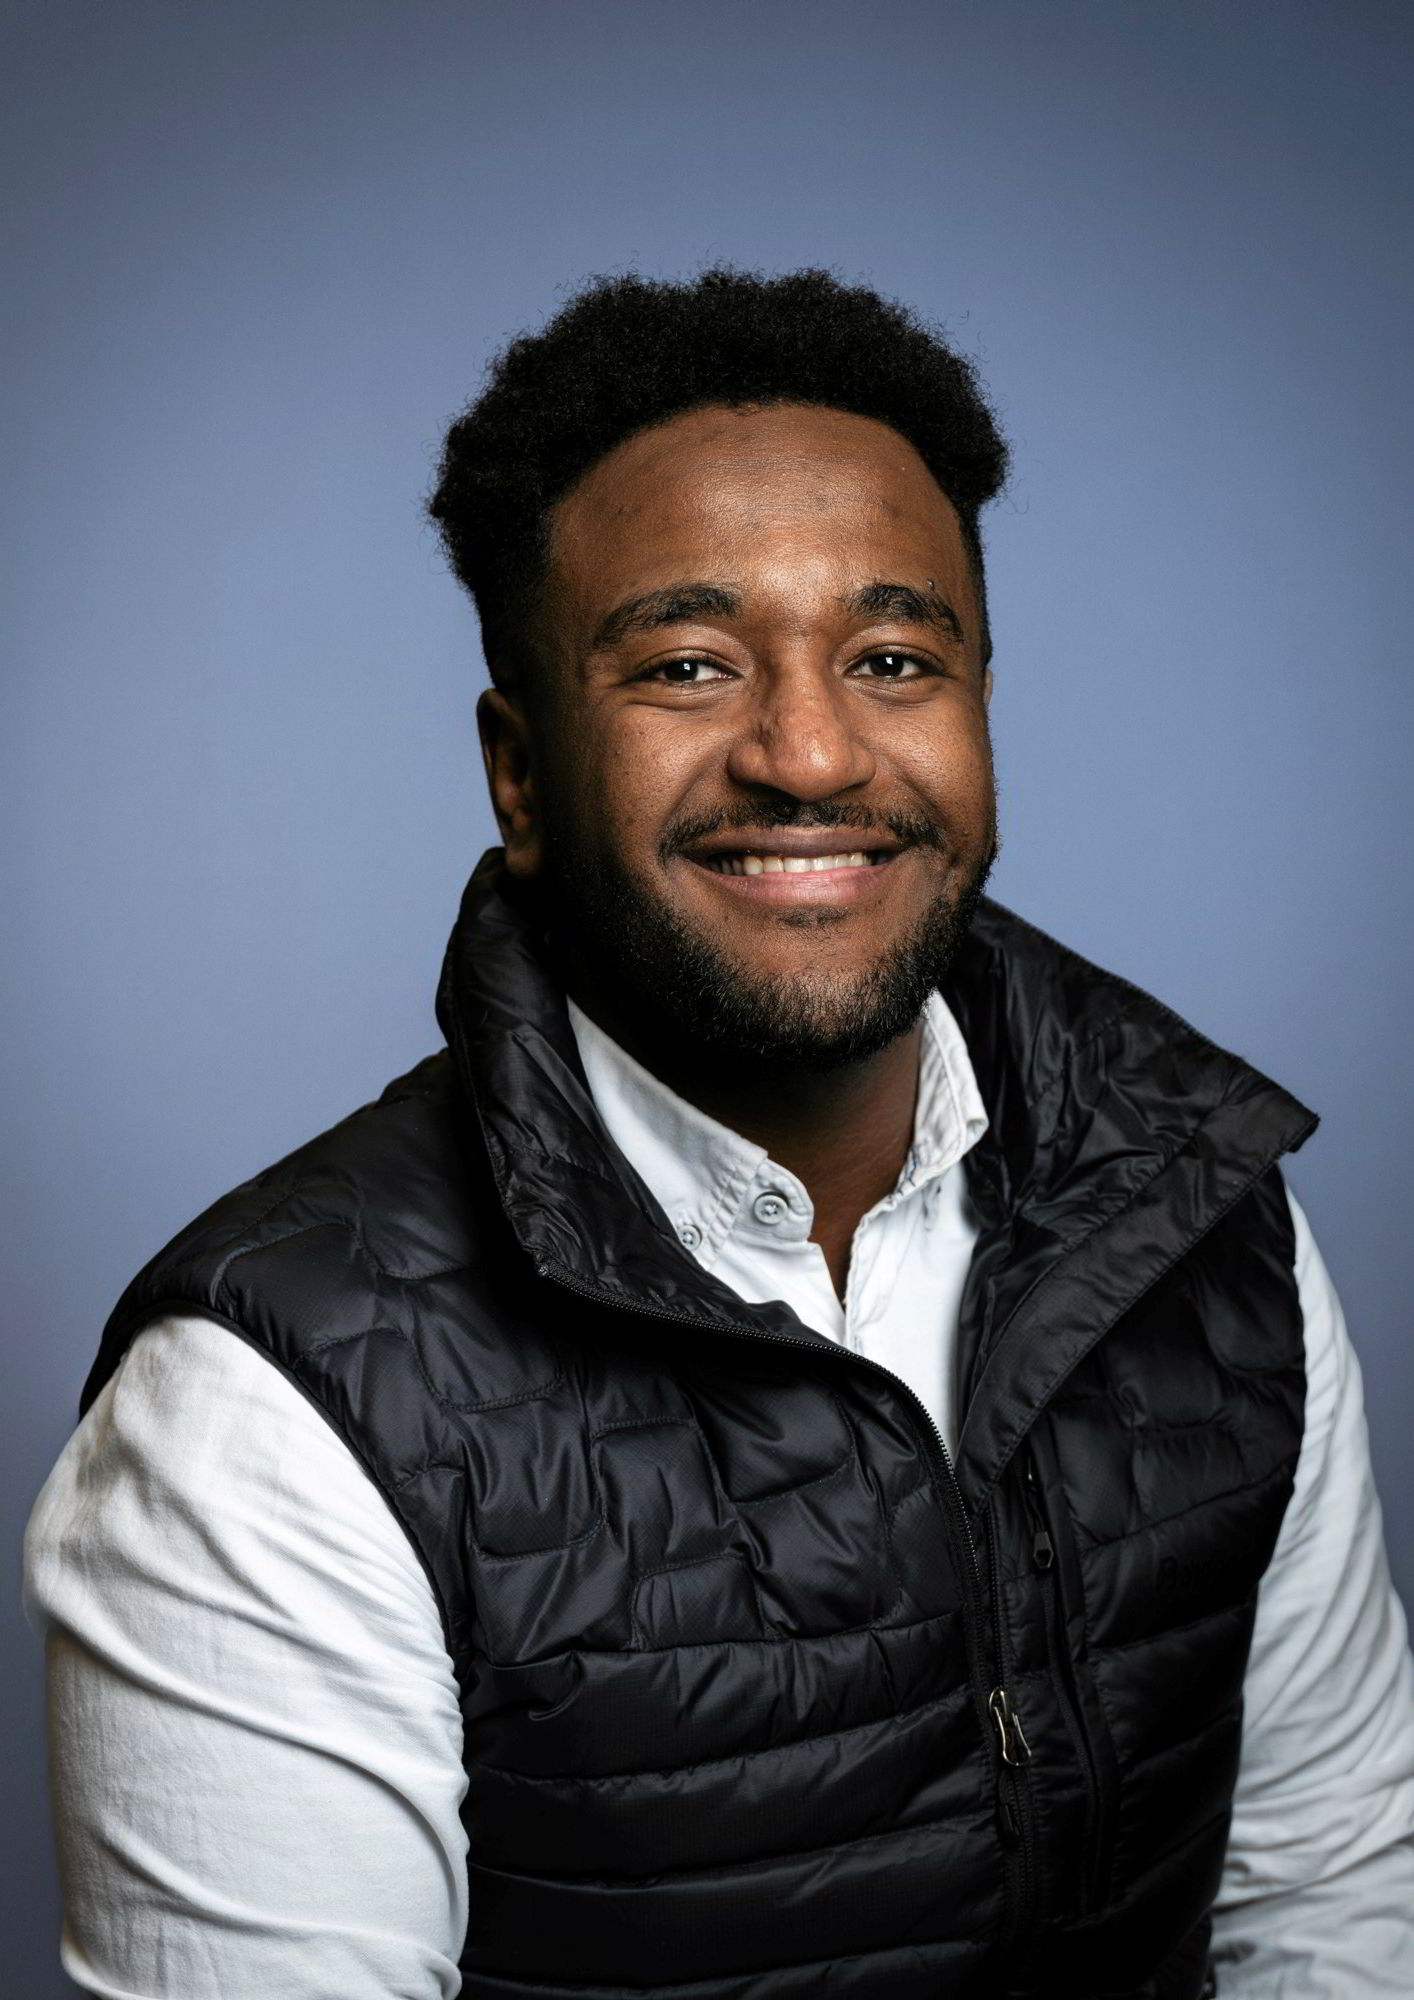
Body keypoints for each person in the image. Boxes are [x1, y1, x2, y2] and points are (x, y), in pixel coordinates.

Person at [24, 268, 1414, 2000]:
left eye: (892, 660)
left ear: (982, 709)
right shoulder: (264, 1413)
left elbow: (1330, 1896)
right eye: (687, 666)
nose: (809, 753)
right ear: (519, 774)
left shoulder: (1206, 1217)